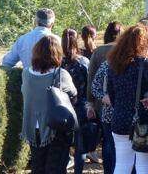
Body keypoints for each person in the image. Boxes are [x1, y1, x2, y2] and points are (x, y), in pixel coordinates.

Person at [107, 24, 148, 174]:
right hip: (142, 119)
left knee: (122, 165)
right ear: (144, 44)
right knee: (143, 167)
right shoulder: (145, 63)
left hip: (119, 118)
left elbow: (111, 93)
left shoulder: (113, 64)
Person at [21, 35, 77, 174]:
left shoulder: (26, 73)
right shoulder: (60, 74)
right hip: (55, 128)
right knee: (55, 168)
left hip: (33, 128)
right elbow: (74, 94)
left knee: (37, 166)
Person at [87, 22, 122, 172]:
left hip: (102, 102)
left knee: (107, 140)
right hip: (122, 101)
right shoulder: (124, 51)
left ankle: (109, 170)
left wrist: (90, 102)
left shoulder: (98, 52)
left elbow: (91, 79)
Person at [61, 29, 90, 174]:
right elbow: (90, 84)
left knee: (63, 143)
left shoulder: (58, 63)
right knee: (80, 145)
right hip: (80, 106)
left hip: (62, 107)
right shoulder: (83, 62)